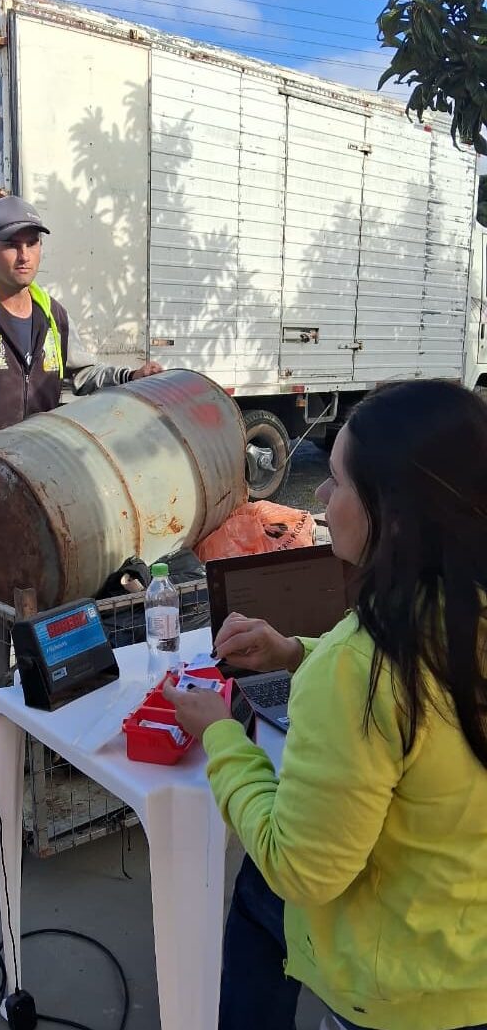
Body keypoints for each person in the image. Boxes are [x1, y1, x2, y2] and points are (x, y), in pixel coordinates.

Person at [165, 380, 487, 1030]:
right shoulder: (457, 609)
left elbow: (301, 869)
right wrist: (295, 653)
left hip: (398, 986)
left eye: (336, 481)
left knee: (260, 890)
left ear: (391, 515)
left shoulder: (360, 664)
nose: (317, 496)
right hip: (470, 952)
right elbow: (425, 690)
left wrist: (224, 735)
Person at [0, 195, 163, 456]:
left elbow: (85, 373)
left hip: (37, 471)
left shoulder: (53, 316)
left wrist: (130, 377)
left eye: (32, 243)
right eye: (12, 245)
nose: (24, 256)